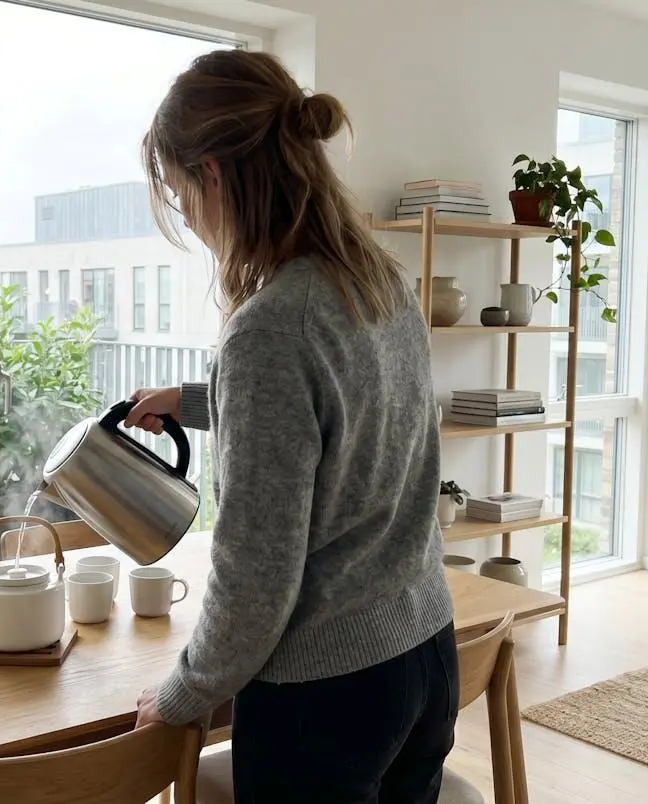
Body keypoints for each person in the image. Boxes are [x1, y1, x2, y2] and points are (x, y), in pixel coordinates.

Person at [125, 49, 456, 803]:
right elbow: (355, 416)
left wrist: (185, 693)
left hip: (329, 695)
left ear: (212, 175)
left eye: (180, 196)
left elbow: (256, 574)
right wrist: (196, 399)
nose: (189, 219)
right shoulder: (374, 277)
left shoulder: (270, 326)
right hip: (424, 651)